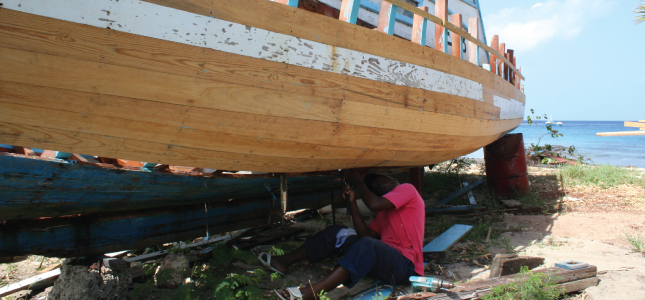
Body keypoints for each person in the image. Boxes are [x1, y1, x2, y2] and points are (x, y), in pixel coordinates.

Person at [260, 169, 425, 300]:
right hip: (384, 263)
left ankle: (311, 292)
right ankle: (282, 262)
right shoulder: (384, 212)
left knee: (368, 244)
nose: (374, 185)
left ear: (393, 180)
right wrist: (353, 202)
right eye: (372, 185)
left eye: (378, 181)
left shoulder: (407, 189)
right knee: (338, 232)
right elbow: (364, 233)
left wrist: (359, 182)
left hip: (406, 267)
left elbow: (374, 204)